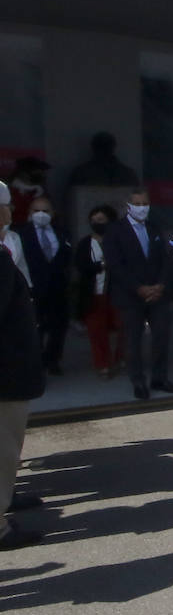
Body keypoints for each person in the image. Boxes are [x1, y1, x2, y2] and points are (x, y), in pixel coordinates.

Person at [0, 182, 45, 550]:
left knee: (9, 449)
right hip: (5, 376)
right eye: (6, 208)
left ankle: (7, 498)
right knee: (3, 447)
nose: (10, 215)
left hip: (10, 374)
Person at [102, 188, 173, 400]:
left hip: (158, 294)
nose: (142, 208)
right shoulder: (115, 231)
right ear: (128, 206)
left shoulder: (154, 228)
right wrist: (139, 288)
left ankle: (159, 378)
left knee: (161, 337)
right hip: (130, 296)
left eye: (145, 204)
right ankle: (138, 381)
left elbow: (165, 259)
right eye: (138, 204)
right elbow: (116, 265)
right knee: (132, 341)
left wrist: (161, 285)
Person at [18, 195, 72, 376]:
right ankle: (36, 361)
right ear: (30, 213)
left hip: (58, 289)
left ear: (53, 213)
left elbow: (67, 259)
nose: (41, 214)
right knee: (35, 328)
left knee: (59, 327)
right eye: (36, 211)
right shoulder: (21, 234)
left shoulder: (62, 232)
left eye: (45, 210)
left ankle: (53, 360)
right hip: (33, 289)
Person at [72, 205, 124, 378]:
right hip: (93, 295)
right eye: (94, 221)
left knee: (123, 327)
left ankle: (120, 358)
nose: (97, 223)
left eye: (101, 220)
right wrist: (100, 265)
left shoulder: (118, 241)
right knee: (96, 332)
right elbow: (80, 265)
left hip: (116, 293)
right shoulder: (85, 243)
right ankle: (102, 365)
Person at [66, 131, 139, 189]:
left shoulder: (128, 174)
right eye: (101, 146)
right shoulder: (81, 174)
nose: (104, 150)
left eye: (107, 146)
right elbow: (71, 202)